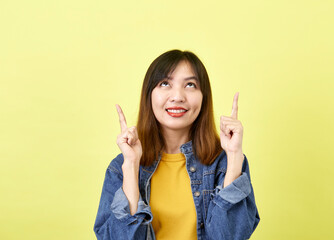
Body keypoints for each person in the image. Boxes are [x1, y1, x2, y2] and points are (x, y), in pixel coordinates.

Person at [94, 50, 260, 240]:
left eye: (190, 85)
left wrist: (234, 158)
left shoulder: (226, 162)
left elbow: (230, 236)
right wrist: (131, 166)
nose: (177, 96)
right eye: (165, 83)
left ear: (203, 96)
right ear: (149, 95)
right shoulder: (120, 168)